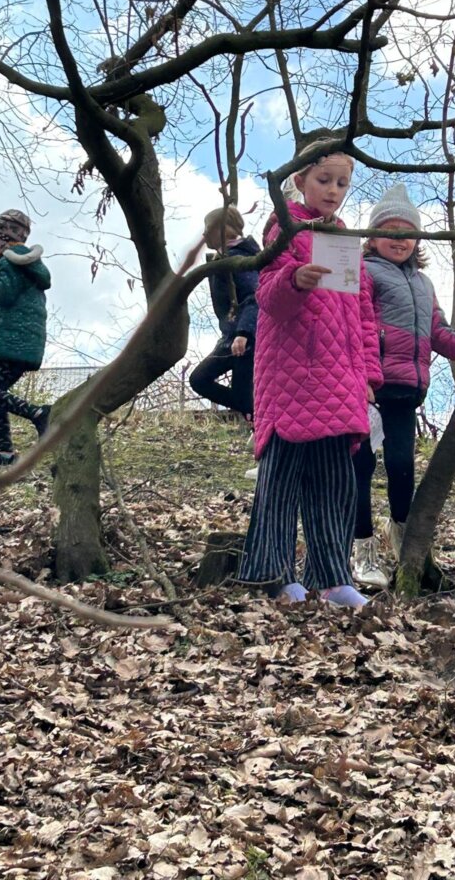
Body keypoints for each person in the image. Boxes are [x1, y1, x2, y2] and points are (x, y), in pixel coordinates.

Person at [238, 143, 383, 608]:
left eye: (342, 183)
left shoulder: (345, 241)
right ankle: (274, 574)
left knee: (335, 482)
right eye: (324, 180)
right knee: (281, 479)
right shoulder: (283, 228)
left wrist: (369, 375)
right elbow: (267, 297)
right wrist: (294, 280)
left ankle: (333, 579)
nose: (334, 191)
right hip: (292, 376)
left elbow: (363, 313)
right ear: (299, 181)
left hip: (341, 380)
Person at [351, 184, 455, 589]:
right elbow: (356, 326)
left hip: (405, 390)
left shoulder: (424, 283)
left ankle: (403, 539)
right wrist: (362, 376)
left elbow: (438, 332)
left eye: (407, 233)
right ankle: (362, 548)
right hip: (368, 388)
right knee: (361, 467)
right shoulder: (363, 271)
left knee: (402, 466)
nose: (399, 240)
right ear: (372, 237)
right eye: (390, 232)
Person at [0, 209, 51, 466]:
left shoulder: (10, 262)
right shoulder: (23, 264)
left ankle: (39, 414)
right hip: (20, 342)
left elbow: (4, 294)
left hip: (13, 342)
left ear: (0, 238)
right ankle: (5, 452)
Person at [189, 206, 260, 422]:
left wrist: (243, 333)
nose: (204, 234)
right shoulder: (222, 259)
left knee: (239, 397)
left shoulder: (239, 259)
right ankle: (257, 412)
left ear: (225, 229)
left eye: (208, 228)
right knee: (201, 380)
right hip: (230, 338)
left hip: (245, 340)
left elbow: (254, 296)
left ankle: (258, 415)